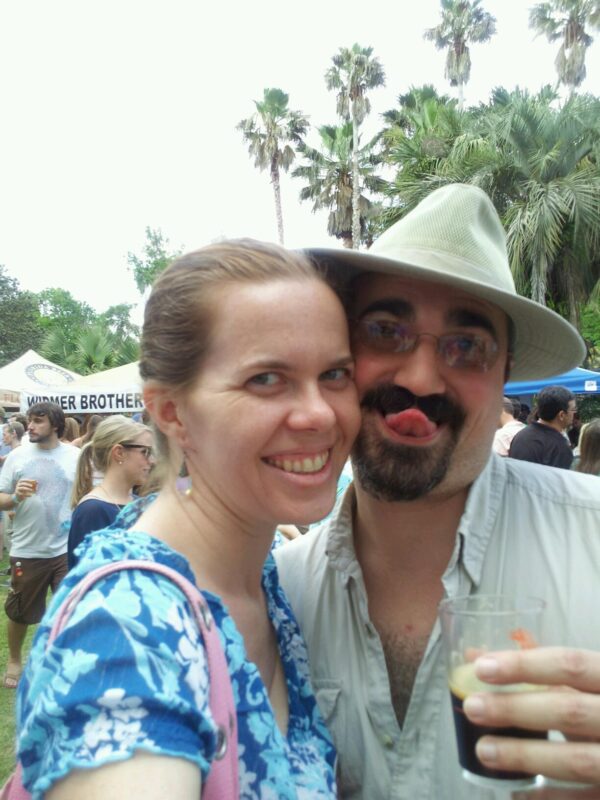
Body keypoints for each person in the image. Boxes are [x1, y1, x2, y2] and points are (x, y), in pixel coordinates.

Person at [275, 184, 600, 798]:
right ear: (339, 355)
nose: (421, 379)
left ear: (505, 375)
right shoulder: (278, 596)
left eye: (467, 347)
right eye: (385, 330)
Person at [15, 240, 360, 798]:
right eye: (266, 379)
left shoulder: (256, 576)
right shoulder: (125, 626)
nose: (320, 412)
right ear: (171, 412)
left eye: (337, 374)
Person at [0, 402, 80, 689]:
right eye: (30, 421)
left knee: (68, 609)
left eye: (38, 421)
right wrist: (15, 497)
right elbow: (1, 498)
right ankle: (15, 660)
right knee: (20, 611)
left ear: (56, 425)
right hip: (27, 549)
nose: (30, 426)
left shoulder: (76, 456)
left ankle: (61, 663)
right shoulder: (17, 457)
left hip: (64, 548)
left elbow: (85, 492)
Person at [67, 415, 153, 568]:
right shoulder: (92, 510)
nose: (152, 460)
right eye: (145, 452)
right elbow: (86, 580)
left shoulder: (136, 502)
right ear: (119, 452)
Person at [509, 385, 576, 468]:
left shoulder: (521, 435)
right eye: (573, 410)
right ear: (561, 415)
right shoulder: (559, 447)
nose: (574, 413)